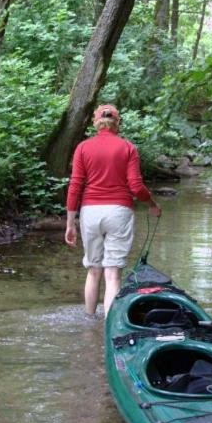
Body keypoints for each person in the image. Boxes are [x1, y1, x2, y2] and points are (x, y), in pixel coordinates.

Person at [65, 104, 161, 317]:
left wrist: (70, 223)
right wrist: (152, 205)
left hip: (90, 211)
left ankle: (89, 321)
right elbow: (135, 186)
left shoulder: (83, 147)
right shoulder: (128, 148)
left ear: (95, 122)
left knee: (93, 271)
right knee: (113, 275)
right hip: (119, 211)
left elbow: (75, 186)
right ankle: (109, 329)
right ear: (117, 123)